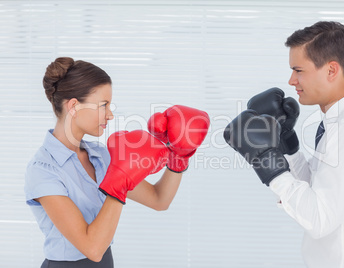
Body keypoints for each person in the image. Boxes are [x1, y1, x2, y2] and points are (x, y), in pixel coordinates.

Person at [224, 21, 344, 267]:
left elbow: (319, 219)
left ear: (331, 70)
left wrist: (266, 162)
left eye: (298, 70)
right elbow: (317, 193)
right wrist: (288, 145)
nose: (291, 80)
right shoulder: (343, 122)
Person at [24, 57, 209, 267]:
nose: (110, 115)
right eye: (104, 105)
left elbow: (159, 200)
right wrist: (118, 186)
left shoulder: (100, 156)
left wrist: (178, 156)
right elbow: (92, 248)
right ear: (74, 106)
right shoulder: (43, 170)